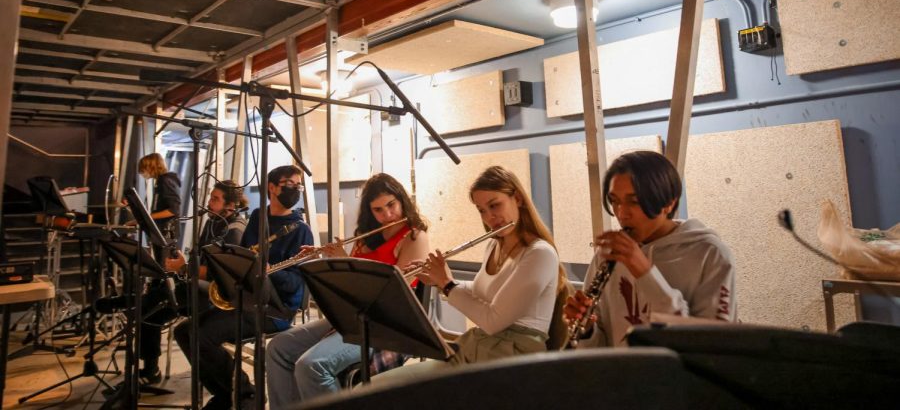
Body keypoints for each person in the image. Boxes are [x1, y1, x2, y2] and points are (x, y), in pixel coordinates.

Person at [372, 165, 566, 387]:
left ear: (518, 199)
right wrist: (440, 280)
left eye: (494, 205)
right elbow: (481, 291)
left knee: (393, 394)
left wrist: (447, 285)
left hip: (513, 359)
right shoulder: (494, 245)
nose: (490, 218)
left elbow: (493, 321)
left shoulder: (539, 254)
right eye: (481, 210)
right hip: (482, 349)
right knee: (375, 388)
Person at [265, 173, 429, 408]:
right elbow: (350, 282)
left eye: (391, 205)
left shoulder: (415, 236)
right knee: (278, 348)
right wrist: (333, 258)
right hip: (353, 316)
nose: (387, 215)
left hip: (386, 324)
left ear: (402, 199)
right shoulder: (365, 238)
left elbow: (394, 293)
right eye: (378, 210)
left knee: (312, 365)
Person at [564, 151, 737, 348]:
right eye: (615, 201)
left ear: (669, 202)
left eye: (634, 201)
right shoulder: (607, 255)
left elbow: (714, 346)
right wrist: (586, 331)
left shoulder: (710, 254)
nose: (621, 213)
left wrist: (645, 272)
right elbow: (604, 348)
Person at [174, 165, 313, 410]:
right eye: (289, 184)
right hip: (247, 299)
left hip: (275, 309)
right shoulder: (258, 217)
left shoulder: (301, 231)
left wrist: (268, 269)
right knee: (185, 331)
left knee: (201, 334)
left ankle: (243, 393)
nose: (295, 189)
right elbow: (243, 257)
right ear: (272, 187)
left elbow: (295, 286)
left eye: (298, 185)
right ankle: (227, 392)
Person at [138, 180, 249, 385]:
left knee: (151, 305)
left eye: (215, 199)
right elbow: (201, 263)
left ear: (230, 206)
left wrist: (183, 268)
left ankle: (150, 368)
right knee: (151, 305)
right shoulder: (212, 222)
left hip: (217, 294)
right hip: (198, 286)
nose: (208, 202)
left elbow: (221, 275)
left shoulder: (235, 230)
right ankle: (150, 367)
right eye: (210, 197)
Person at [137, 152, 182, 253]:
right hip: (162, 232)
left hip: (167, 233)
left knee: (165, 265)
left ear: (151, 166)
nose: (142, 172)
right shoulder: (161, 181)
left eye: (144, 168)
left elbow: (174, 210)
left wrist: (149, 217)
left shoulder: (165, 181)